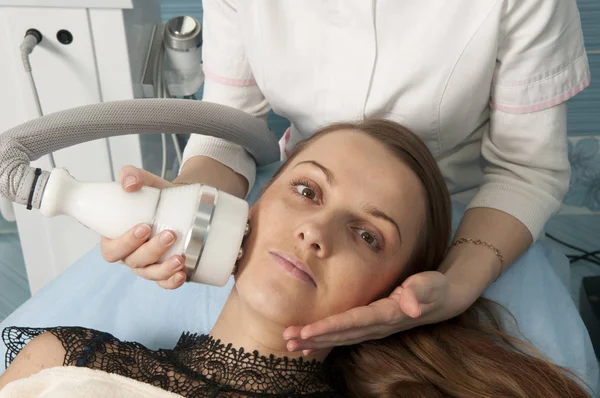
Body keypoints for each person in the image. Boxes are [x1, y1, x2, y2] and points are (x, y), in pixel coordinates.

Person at [99, 0, 592, 360]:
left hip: (462, 212)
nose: (313, 237)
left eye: (366, 235)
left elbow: (526, 169)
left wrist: (457, 283)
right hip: (300, 179)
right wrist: (189, 209)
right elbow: (230, 130)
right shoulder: (73, 357)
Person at [0, 120, 590, 397]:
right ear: (249, 208)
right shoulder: (61, 355)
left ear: (392, 293)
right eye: (307, 191)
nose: (315, 231)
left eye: (368, 236)